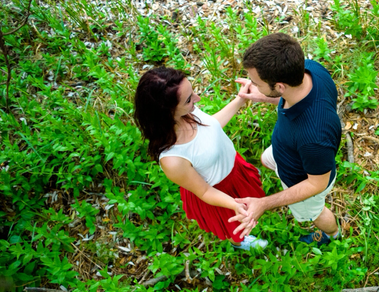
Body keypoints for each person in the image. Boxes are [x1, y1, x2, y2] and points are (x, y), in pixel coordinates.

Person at [133, 67, 267, 250]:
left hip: (233, 168)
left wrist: (240, 100)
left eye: (192, 92)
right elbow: (204, 191)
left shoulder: (185, 114)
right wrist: (236, 205)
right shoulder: (172, 158)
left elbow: (211, 127)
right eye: (189, 99)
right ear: (166, 111)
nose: (197, 99)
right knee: (234, 227)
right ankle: (239, 242)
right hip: (219, 192)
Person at [230, 33, 342, 246]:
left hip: (304, 181)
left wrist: (264, 203)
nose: (252, 84)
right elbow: (296, 98)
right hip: (289, 152)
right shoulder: (311, 69)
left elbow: (316, 184)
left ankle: (333, 235)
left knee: (315, 212)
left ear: (280, 86)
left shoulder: (314, 137)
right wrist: (262, 95)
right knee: (267, 158)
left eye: (256, 82)